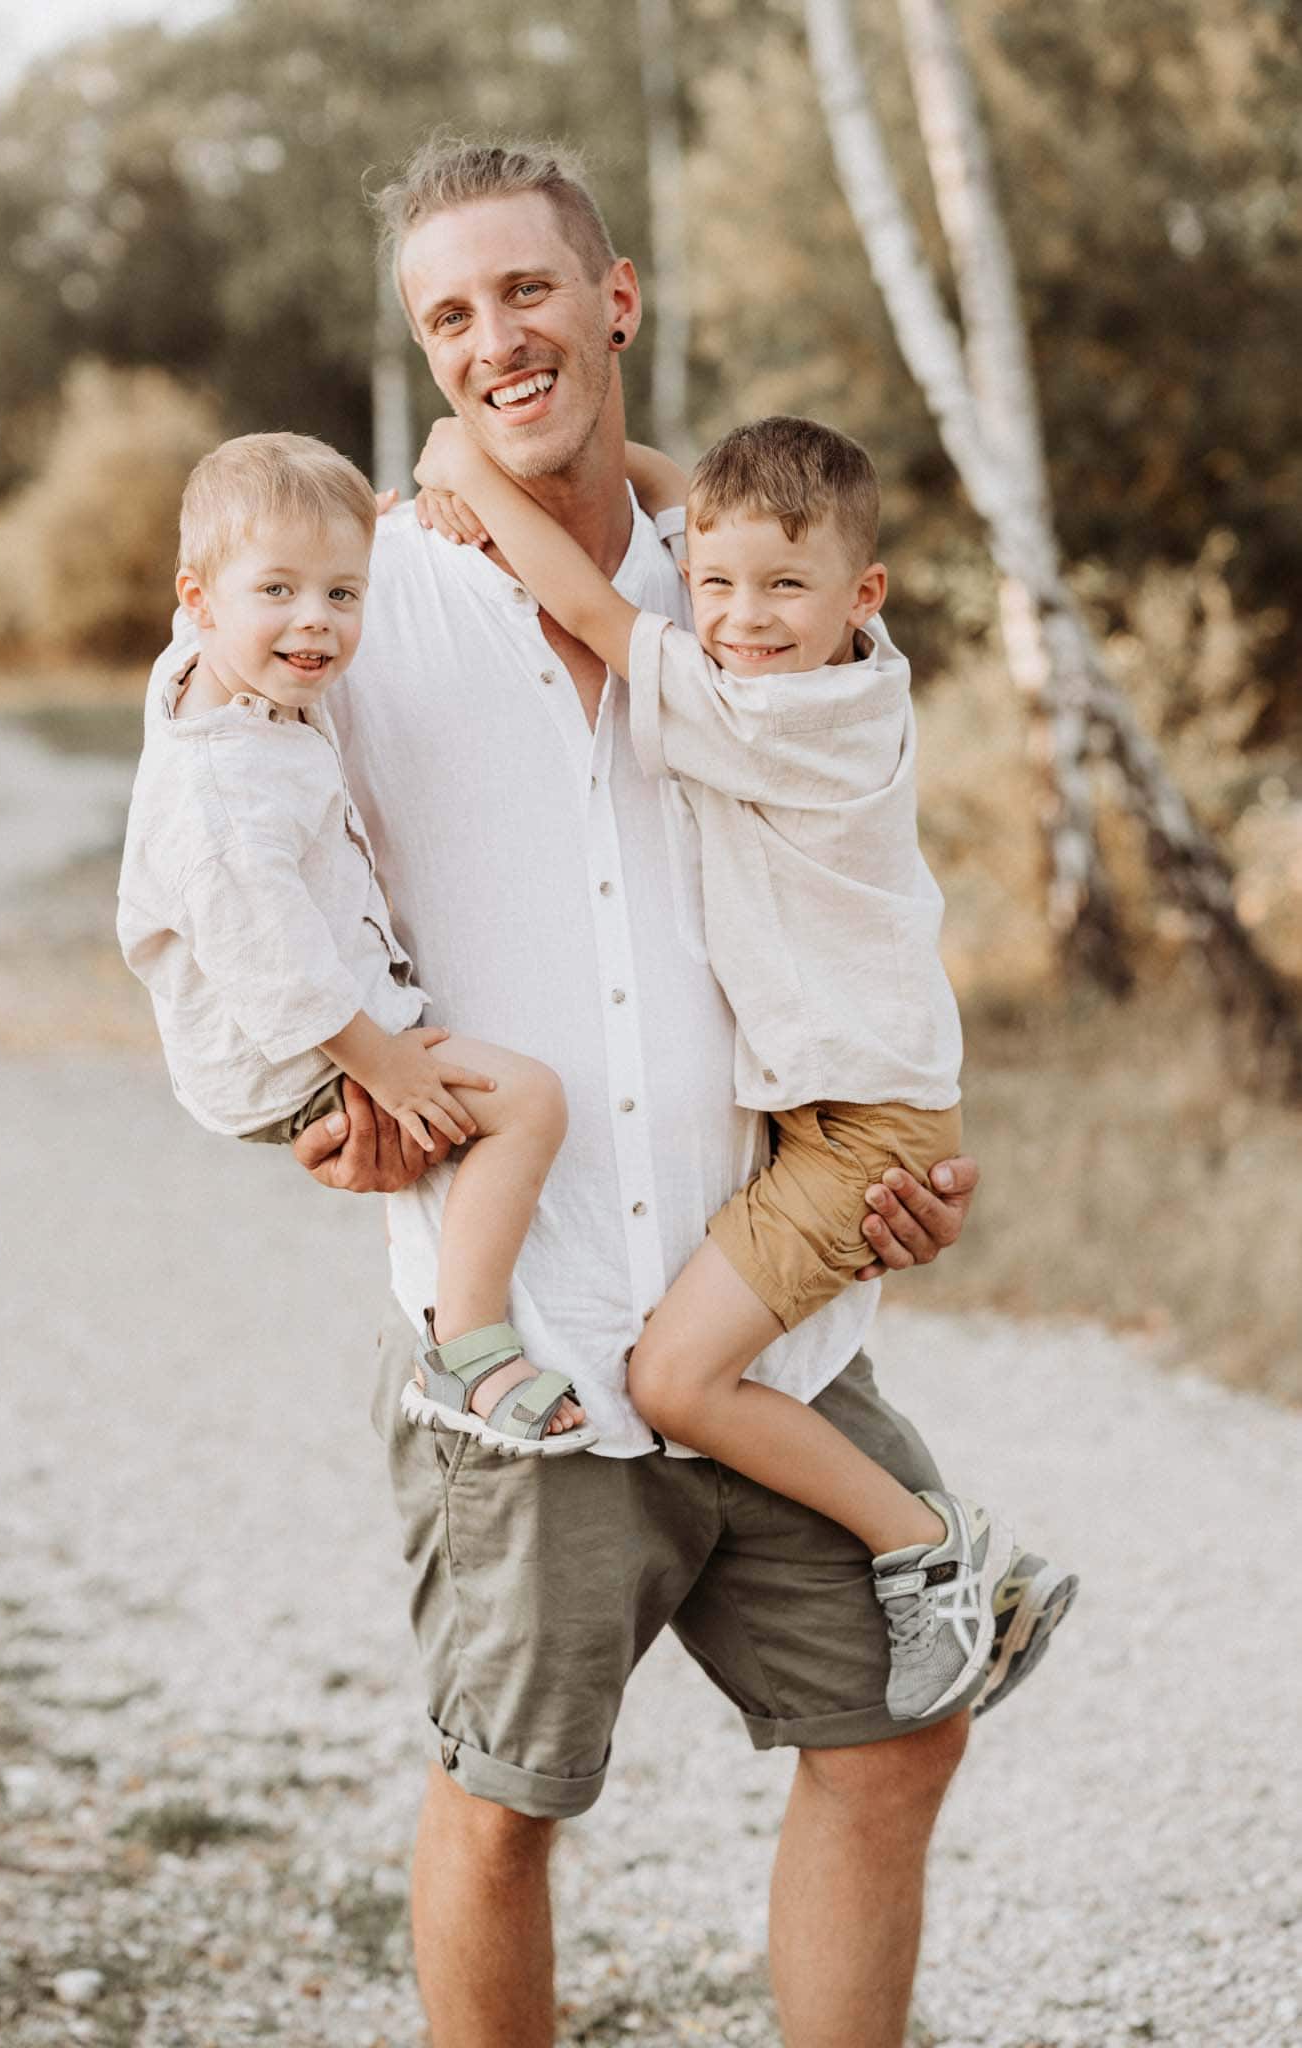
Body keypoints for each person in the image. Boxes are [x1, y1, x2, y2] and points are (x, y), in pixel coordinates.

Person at [149, 138, 1075, 2048]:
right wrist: (298, 1107)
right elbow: (201, 863)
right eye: (451, 314)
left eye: (531, 290)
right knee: (504, 1807)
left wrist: (886, 1155)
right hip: (529, 1335)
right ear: (425, 354)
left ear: (617, 298)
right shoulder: (348, 602)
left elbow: (852, 893)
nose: (499, 339)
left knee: (903, 1730)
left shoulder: (751, 586)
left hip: (768, 1315)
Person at [410, 405, 1045, 1722]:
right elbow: (700, 508)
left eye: (783, 589)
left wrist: (466, 461)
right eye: (715, 583)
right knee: (688, 1368)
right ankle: (933, 1552)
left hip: (863, 1135)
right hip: (840, 1118)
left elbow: (585, 604)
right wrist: (670, 496)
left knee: (674, 1380)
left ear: (859, 593)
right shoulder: (861, 667)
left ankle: (937, 1551)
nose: (743, 616)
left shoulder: (775, 714)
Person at [117, 430, 595, 1452]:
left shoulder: (214, 665)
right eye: (280, 592)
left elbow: (270, 585)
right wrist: (383, 1063)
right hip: (285, 1048)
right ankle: (465, 1347)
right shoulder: (220, 796)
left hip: (309, 1010)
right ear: (199, 602)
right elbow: (276, 973)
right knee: (529, 1102)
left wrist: (347, 535)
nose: (316, 623)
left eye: (344, 594)